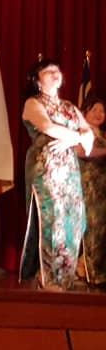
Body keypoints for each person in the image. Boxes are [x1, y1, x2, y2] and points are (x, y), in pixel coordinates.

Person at [20, 58, 93, 290]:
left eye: (57, 70)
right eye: (49, 71)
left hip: (70, 172)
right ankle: (47, 277)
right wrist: (76, 137)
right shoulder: (33, 103)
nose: (55, 73)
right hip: (46, 170)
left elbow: (89, 137)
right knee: (52, 221)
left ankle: (66, 279)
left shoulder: (70, 107)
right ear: (37, 80)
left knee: (74, 220)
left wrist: (75, 139)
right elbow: (48, 127)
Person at [78, 95, 106, 285]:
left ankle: (86, 268)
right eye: (94, 109)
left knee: (102, 230)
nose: (98, 114)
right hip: (89, 187)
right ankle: (91, 272)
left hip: (102, 188)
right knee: (93, 227)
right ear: (85, 111)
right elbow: (81, 152)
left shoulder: (102, 135)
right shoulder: (82, 131)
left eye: (102, 111)